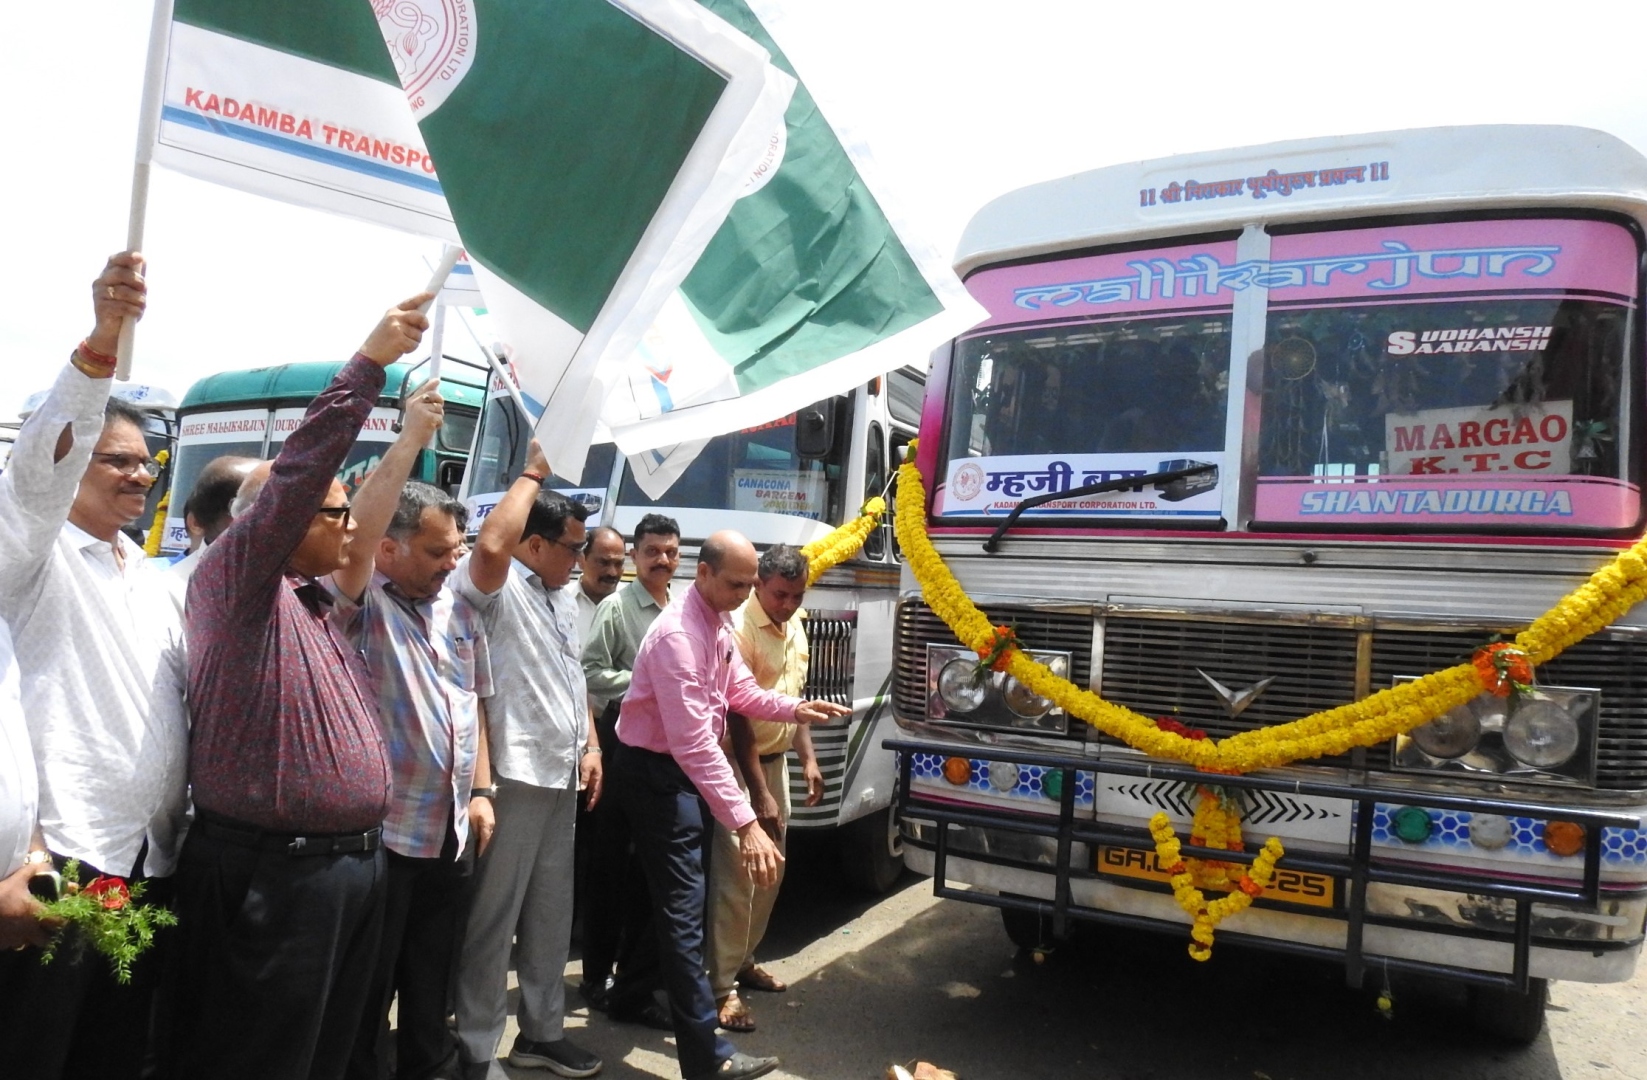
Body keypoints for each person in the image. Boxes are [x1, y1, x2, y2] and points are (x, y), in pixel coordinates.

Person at [171, 292, 433, 1080]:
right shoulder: (235, 587)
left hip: (348, 873)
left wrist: (413, 435)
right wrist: (367, 369)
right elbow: (296, 484)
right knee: (264, 1058)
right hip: (274, 882)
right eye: (331, 514)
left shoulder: (315, 601)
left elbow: (369, 518)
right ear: (274, 526)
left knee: (327, 1058)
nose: (349, 529)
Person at [0, 252, 191, 1079]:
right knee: (37, 1049)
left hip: (147, 861)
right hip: (63, 863)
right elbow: (36, 474)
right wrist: (103, 339)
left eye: (149, 463)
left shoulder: (152, 581)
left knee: (112, 1055)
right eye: (119, 460)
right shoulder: (31, 563)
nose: (142, 476)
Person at [611, 530, 850, 1080]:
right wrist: (746, 821)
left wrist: (794, 708)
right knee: (684, 912)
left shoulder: (715, 621)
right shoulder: (677, 636)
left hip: (672, 772)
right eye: (738, 583)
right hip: (654, 774)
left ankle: (628, 996)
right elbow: (696, 743)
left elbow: (739, 692)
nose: (747, 595)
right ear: (703, 573)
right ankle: (707, 1058)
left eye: (749, 585)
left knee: (668, 900)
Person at [333, 388, 497, 1080]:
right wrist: (409, 437)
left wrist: (483, 790)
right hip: (386, 839)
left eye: (455, 550)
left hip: (450, 835)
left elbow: (473, 703)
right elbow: (355, 537)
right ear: (390, 549)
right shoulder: (361, 604)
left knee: (431, 991)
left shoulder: (455, 609)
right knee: (366, 994)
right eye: (436, 551)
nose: (449, 563)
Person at [453, 438, 602, 1079]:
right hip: (510, 775)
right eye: (572, 547)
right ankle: (477, 1045)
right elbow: (489, 545)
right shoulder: (499, 585)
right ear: (534, 544)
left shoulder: (561, 595)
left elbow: (574, 679)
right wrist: (533, 470)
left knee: (550, 913)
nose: (581, 558)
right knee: (494, 920)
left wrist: (592, 744)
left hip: (561, 771)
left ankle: (541, 1033)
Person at [707, 545, 826, 1033]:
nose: (788, 604)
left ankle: (744, 961)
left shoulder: (795, 624)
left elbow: (791, 703)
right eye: (780, 595)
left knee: (771, 873)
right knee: (736, 881)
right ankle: (720, 988)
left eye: (796, 596)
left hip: (776, 766)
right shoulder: (739, 627)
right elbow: (737, 718)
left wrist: (809, 760)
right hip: (739, 769)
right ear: (759, 584)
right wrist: (759, 793)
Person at [579, 513, 680, 1023]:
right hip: (620, 747)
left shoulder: (680, 607)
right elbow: (591, 670)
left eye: (670, 551)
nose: (662, 559)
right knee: (610, 868)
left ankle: (636, 981)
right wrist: (645, 685)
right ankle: (595, 978)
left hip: (665, 753)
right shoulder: (618, 607)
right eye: (652, 551)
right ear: (636, 556)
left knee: (649, 872)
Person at [167, 453, 259, 586]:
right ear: (197, 522)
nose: (271, 520)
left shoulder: (288, 583)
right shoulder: (166, 590)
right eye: (246, 509)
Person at [574, 525, 627, 641]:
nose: (612, 573)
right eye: (603, 562)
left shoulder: (632, 603)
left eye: (618, 564)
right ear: (581, 560)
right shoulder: (558, 601)